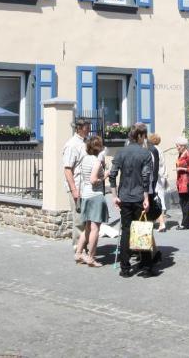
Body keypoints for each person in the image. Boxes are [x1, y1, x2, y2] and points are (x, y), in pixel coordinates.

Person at [109, 126, 153, 277]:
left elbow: (112, 174)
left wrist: (114, 195)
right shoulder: (145, 153)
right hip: (139, 196)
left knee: (126, 231)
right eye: (144, 136)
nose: (145, 138)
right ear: (140, 136)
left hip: (125, 196)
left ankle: (125, 268)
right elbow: (146, 177)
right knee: (142, 230)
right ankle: (146, 267)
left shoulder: (121, 152)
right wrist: (146, 197)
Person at [74, 135, 108, 267]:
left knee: (87, 227)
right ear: (98, 147)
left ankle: (78, 253)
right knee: (95, 229)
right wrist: (104, 176)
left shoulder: (85, 159)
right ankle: (91, 257)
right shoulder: (96, 160)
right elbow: (93, 180)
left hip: (86, 195)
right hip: (95, 195)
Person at [63, 118, 90, 257]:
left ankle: (84, 246)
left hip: (86, 187)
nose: (89, 129)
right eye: (87, 127)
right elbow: (68, 169)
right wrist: (74, 190)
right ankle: (78, 249)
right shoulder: (72, 145)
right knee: (79, 219)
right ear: (79, 128)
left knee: (86, 218)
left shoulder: (85, 143)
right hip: (77, 187)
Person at [174, 137, 189, 229]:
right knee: (183, 203)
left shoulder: (188, 155)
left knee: (186, 203)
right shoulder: (181, 154)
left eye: (178, 146)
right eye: (176, 146)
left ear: (183, 146)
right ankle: (187, 223)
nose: (177, 148)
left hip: (187, 182)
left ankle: (185, 224)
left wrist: (183, 169)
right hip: (181, 182)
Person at [147, 132, 168, 233]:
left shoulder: (153, 150)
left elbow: (155, 165)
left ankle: (161, 222)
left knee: (157, 199)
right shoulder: (160, 149)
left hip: (157, 177)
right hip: (161, 176)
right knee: (159, 199)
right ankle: (159, 222)